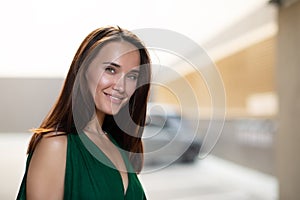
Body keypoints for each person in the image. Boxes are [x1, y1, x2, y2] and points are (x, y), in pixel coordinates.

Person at [16, 26, 151, 199]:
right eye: (111, 69)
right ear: (83, 69)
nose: (121, 86)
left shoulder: (117, 145)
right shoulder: (57, 146)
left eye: (132, 76)